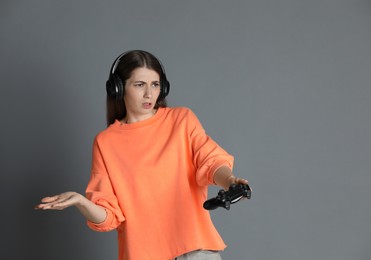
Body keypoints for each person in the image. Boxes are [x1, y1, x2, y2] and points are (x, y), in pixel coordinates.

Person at [35, 50, 249, 260]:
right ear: (118, 88)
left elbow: (210, 161)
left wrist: (229, 181)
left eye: (155, 85)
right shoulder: (106, 142)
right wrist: (82, 202)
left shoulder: (181, 120)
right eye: (139, 85)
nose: (149, 94)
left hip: (195, 253)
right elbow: (108, 217)